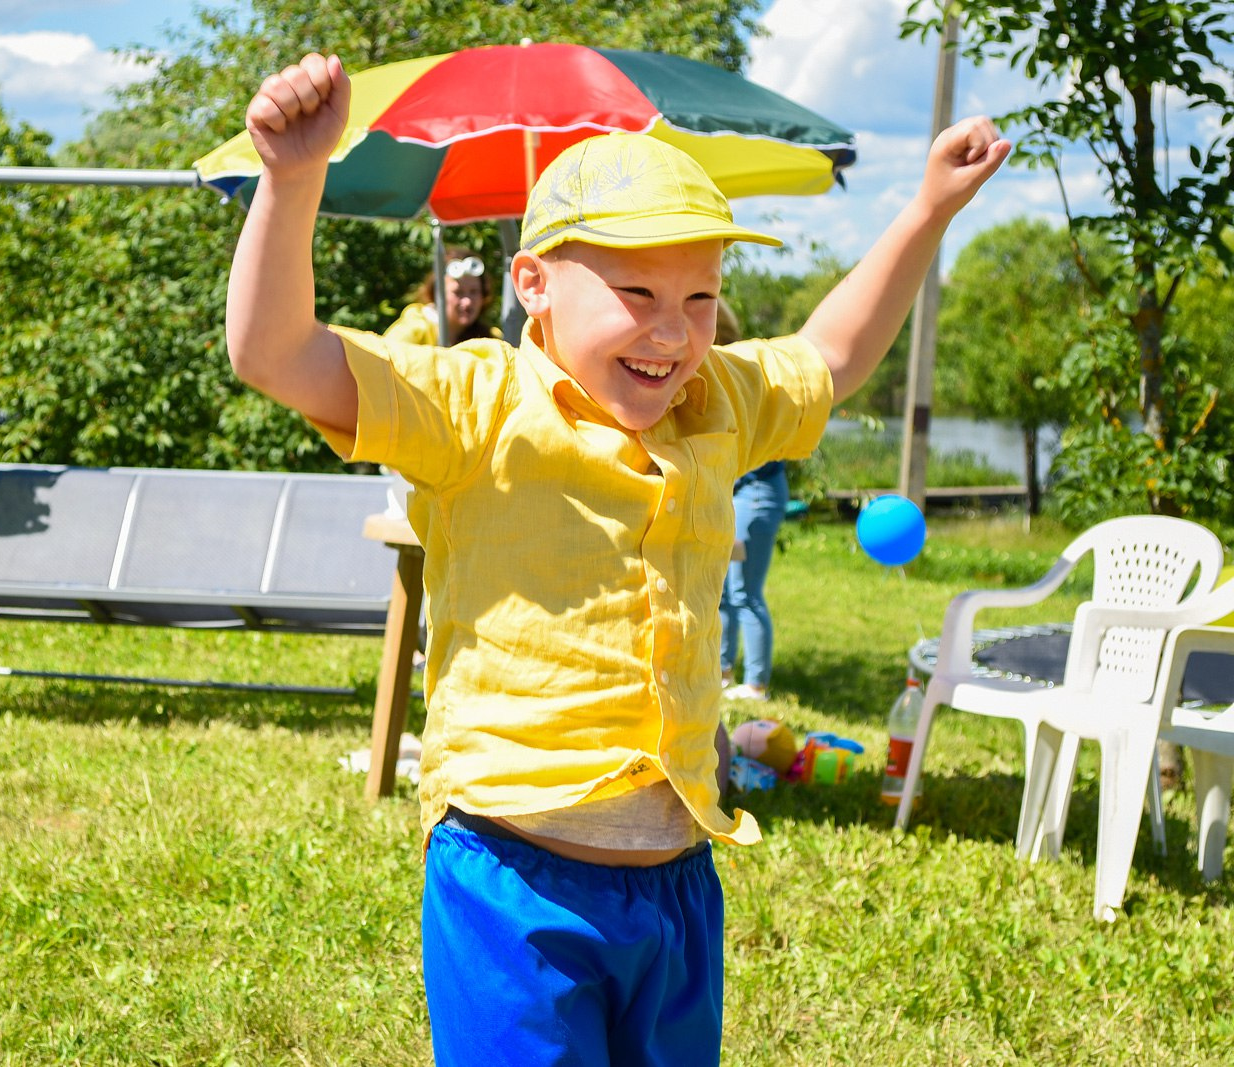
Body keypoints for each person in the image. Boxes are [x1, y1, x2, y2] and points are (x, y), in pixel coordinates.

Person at [226, 52, 1007, 1066]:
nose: (671, 331)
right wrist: (293, 180)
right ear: (533, 283)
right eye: (636, 290)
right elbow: (274, 352)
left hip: (677, 877)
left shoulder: (717, 400)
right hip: (514, 879)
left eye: (699, 297)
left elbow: (833, 353)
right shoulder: (475, 403)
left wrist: (924, 212)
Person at [715, 298, 790, 703]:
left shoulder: (747, 379)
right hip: (735, 492)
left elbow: (759, 453)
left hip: (755, 495)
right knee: (723, 591)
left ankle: (757, 683)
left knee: (745, 591)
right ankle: (724, 672)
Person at [383, 243, 497, 346]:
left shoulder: (491, 338)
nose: (467, 302)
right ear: (437, 293)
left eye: (474, 292)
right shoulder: (412, 330)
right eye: (458, 292)